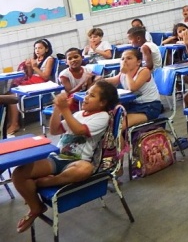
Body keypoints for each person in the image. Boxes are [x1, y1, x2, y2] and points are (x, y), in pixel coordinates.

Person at [11, 80, 119, 233]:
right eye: (87, 93)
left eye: (92, 95)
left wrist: (65, 109)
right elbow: (54, 130)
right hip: (58, 158)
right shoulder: (78, 114)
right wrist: (57, 109)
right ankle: (36, 207)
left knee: (85, 169)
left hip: (77, 161)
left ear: (103, 102)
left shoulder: (102, 116)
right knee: (18, 174)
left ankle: (48, 181)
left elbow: (79, 130)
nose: (86, 97)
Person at [5, 38, 56, 136]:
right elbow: (29, 75)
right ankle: (10, 122)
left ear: (46, 49)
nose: (37, 50)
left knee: (12, 95)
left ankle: (15, 124)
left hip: (41, 84)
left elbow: (45, 77)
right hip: (33, 81)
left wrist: (35, 67)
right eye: (36, 48)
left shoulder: (49, 59)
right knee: (7, 94)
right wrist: (29, 66)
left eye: (40, 48)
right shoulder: (35, 60)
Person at [102, 48, 162, 128]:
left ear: (138, 62)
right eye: (122, 59)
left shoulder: (144, 71)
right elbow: (114, 80)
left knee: (120, 125)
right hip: (133, 104)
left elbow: (133, 88)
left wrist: (127, 72)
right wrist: (99, 80)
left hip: (149, 106)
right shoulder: (123, 72)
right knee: (110, 116)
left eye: (129, 58)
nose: (125, 61)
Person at [60, 47, 96, 112]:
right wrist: (83, 81)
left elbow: (96, 79)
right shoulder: (64, 75)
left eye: (76, 57)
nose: (73, 60)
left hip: (85, 97)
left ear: (82, 57)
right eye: (70, 59)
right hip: (72, 100)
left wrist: (94, 79)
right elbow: (70, 92)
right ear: (66, 62)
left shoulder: (87, 69)